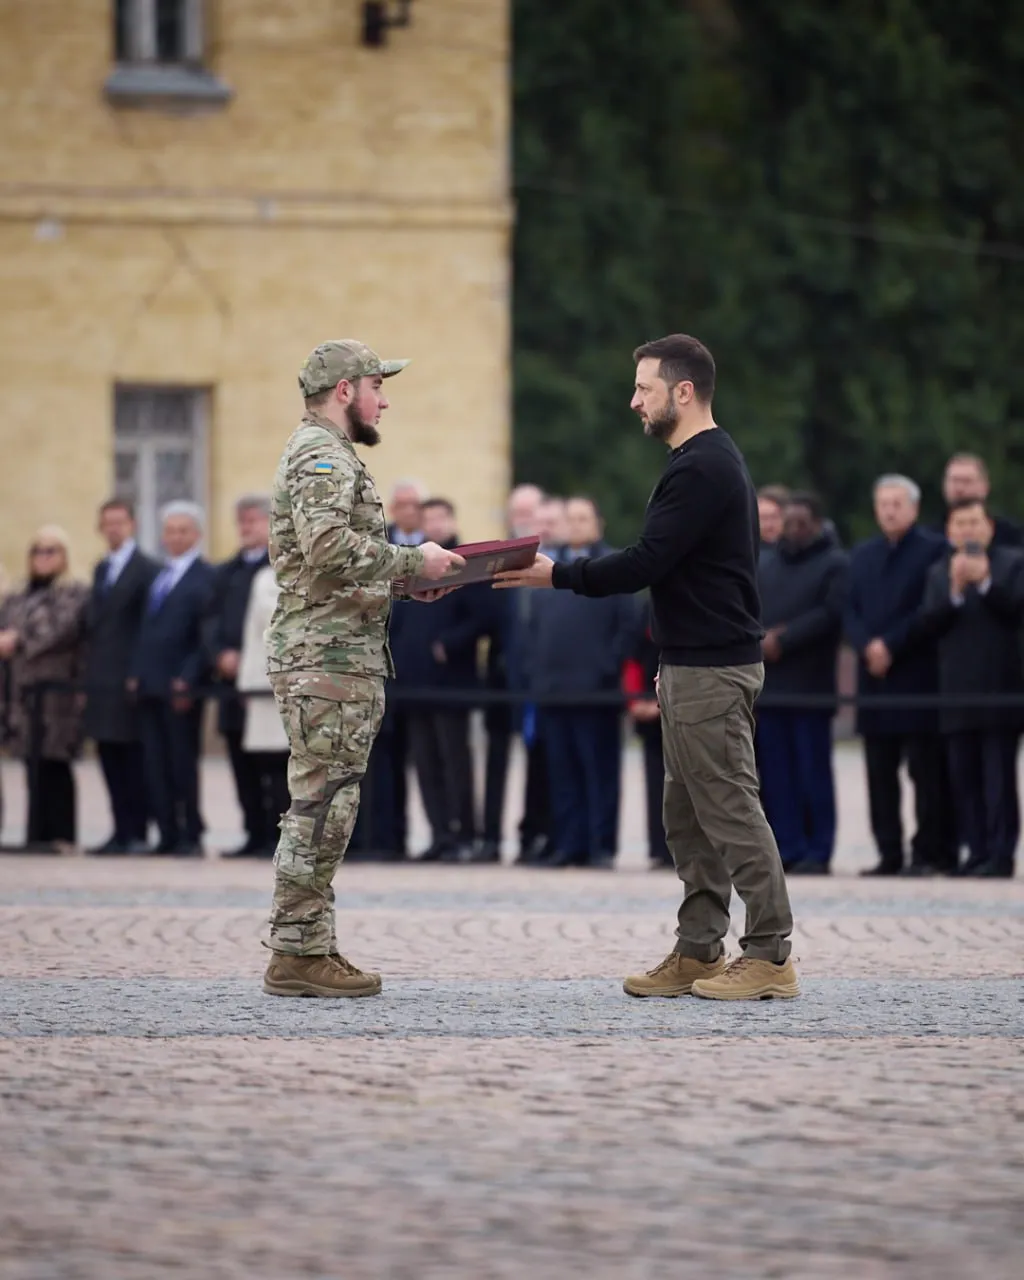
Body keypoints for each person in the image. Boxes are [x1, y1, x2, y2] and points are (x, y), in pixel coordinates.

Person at [495, 333, 798, 1001]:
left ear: (682, 392)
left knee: (731, 811)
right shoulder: (701, 462)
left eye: (645, 389)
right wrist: (672, 657)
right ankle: (697, 951)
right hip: (694, 665)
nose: (633, 401)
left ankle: (772, 954)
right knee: (686, 819)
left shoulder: (702, 466)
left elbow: (645, 562)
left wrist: (558, 576)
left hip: (714, 671)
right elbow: (682, 574)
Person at [261, 339, 463, 999]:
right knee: (322, 806)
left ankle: (310, 945)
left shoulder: (327, 452)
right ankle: (297, 953)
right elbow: (325, 548)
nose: (386, 399)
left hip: (335, 656)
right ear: (345, 390)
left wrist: (403, 584)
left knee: (328, 802)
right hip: (327, 662)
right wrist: (411, 562)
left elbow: (336, 562)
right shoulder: (321, 453)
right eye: (378, 385)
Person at [844, 475, 954, 877]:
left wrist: (890, 645)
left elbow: (930, 609)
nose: (889, 510)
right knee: (878, 771)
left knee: (924, 772)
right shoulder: (862, 554)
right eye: (883, 503)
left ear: (913, 507)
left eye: (897, 503)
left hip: (915, 675)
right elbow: (848, 608)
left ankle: (927, 852)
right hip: (873, 681)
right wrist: (865, 645)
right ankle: (888, 852)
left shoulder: (934, 550)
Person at [914, 498, 1024, 877]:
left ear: (989, 527)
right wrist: (956, 591)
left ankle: (1000, 853)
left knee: (998, 779)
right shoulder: (939, 572)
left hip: (1000, 689)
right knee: (963, 779)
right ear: (949, 531)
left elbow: (1015, 610)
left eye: (975, 522)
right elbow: (928, 624)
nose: (968, 530)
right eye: (960, 523)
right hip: (955, 692)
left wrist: (987, 583)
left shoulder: (1011, 563)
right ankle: (975, 852)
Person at [524, 495, 634, 868]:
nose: (575, 525)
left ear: (598, 522)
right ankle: (569, 843)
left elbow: (627, 626)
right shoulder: (546, 569)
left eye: (583, 518)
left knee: (598, 771)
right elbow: (535, 629)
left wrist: (608, 666)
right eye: (569, 518)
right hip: (553, 689)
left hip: (596, 690)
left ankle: (601, 844)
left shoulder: (613, 565)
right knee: (562, 772)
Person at [756, 492, 849, 874]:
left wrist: (785, 639)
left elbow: (831, 614)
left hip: (810, 685)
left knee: (813, 773)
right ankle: (786, 846)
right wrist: (759, 638)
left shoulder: (834, 563)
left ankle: (818, 848)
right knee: (775, 775)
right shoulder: (765, 563)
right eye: (787, 521)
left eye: (800, 522)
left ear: (815, 524)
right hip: (770, 686)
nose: (792, 529)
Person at [129, 502, 216, 856]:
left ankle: (189, 833)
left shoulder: (205, 577)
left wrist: (189, 678)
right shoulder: (159, 577)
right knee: (154, 762)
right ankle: (165, 830)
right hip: (151, 684)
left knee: (181, 763)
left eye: (183, 530)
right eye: (170, 531)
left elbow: (205, 636)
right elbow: (145, 630)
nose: (175, 537)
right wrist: (136, 673)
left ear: (196, 535)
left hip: (181, 687)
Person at [0, 527, 89, 851]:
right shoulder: (19, 594)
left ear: (64, 556)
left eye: (51, 551)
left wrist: (17, 639)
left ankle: (61, 834)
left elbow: (58, 629)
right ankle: (36, 833)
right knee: (30, 761)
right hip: (20, 693)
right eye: (37, 551)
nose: (43, 557)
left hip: (55, 692)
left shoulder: (72, 592)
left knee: (55, 763)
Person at [82, 499, 159, 855]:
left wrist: (137, 671)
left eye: (119, 522)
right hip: (101, 679)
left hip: (129, 678)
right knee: (108, 754)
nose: (113, 529)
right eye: (107, 523)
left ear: (132, 525)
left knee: (133, 757)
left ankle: (137, 830)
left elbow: (147, 626)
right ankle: (118, 828)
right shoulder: (100, 569)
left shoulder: (146, 569)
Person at [206, 494, 276, 857]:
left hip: (267, 683)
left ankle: (274, 835)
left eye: (254, 520)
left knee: (273, 763)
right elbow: (210, 621)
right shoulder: (225, 572)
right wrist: (219, 654)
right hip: (232, 682)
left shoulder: (279, 568)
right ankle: (252, 830)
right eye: (242, 521)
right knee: (240, 761)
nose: (247, 528)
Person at [938, 454, 1022, 549]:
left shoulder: (1011, 535)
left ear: (985, 486)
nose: (959, 488)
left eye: (967, 481)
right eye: (954, 480)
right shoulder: (931, 537)